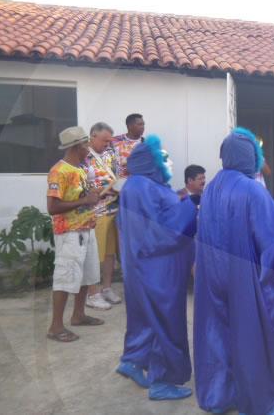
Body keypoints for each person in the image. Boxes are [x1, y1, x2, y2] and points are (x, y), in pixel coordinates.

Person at [194, 127, 274, 415]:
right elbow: (273, 242)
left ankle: (218, 396)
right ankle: (256, 403)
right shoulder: (253, 189)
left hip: (213, 274)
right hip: (245, 276)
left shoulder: (212, 186)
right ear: (251, 156)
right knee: (252, 335)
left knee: (217, 332)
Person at [116, 135, 198, 400]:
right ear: (149, 160)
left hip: (144, 266)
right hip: (158, 269)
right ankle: (163, 381)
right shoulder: (144, 187)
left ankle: (133, 361)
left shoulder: (141, 185)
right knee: (165, 321)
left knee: (144, 318)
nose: (170, 161)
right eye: (164, 157)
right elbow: (160, 233)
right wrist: (191, 208)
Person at [46, 126, 103, 342]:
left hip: (86, 228)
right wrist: (85, 200)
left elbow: (82, 196)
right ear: (78, 146)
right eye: (87, 144)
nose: (89, 148)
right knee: (64, 278)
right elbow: (52, 207)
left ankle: (78, 315)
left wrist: (93, 195)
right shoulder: (59, 171)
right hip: (68, 232)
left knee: (86, 276)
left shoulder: (80, 169)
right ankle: (55, 327)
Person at [84, 122, 122, 310]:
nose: (108, 144)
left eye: (110, 141)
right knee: (93, 254)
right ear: (92, 136)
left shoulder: (109, 154)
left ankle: (106, 287)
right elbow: (78, 187)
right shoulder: (83, 157)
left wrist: (118, 185)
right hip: (92, 213)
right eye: (104, 141)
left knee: (109, 253)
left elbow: (117, 175)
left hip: (112, 209)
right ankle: (92, 293)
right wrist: (98, 190)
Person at [112, 113, 145, 178]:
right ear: (129, 126)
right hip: (118, 184)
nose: (142, 127)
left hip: (138, 182)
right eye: (139, 124)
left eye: (143, 124)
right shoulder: (114, 141)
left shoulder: (145, 144)